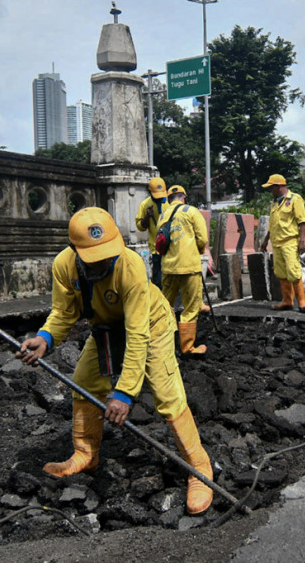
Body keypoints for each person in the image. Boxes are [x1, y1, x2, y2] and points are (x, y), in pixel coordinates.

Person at [17, 207, 214, 515]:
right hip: (106, 327)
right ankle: (85, 453)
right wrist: (45, 338)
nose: (102, 261)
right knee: (84, 382)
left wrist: (124, 393)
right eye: (92, 256)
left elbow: (137, 334)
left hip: (151, 325)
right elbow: (64, 312)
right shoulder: (64, 266)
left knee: (166, 393)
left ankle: (199, 466)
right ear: (74, 249)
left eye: (106, 253)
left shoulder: (130, 265)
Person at [157, 185, 208, 354]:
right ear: (184, 197)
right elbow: (202, 238)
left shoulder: (163, 215)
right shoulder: (191, 211)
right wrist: (198, 250)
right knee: (191, 307)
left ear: (169, 199)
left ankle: (162, 342)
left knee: (165, 306)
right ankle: (187, 347)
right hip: (189, 266)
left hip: (168, 267)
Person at [258, 174, 305, 313]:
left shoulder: (295, 199)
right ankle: (287, 301)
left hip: (290, 242)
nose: (271, 190)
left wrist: (302, 241)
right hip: (277, 243)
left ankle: (302, 303)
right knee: (281, 273)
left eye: (272, 187)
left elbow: (302, 221)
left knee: (293, 271)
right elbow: (272, 225)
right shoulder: (275, 203)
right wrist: (265, 241)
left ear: (279, 186)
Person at [135, 177, 168, 288]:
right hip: (156, 248)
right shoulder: (145, 205)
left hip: (171, 246)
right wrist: (147, 216)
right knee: (158, 279)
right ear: (149, 192)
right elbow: (140, 227)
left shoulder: (170, 202)